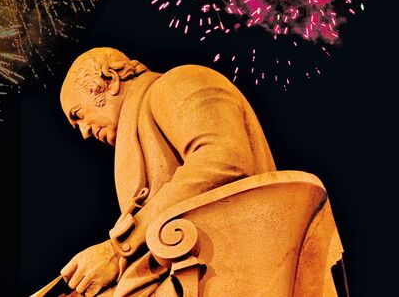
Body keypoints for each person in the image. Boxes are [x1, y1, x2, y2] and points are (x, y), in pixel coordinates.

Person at [58, 47, 276, 296]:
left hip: (226, 269)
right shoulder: (140, 124)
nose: (84, 132)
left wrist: (117, 249)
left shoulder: (176, 82)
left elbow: (223, 159)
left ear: (109, 80)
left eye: (79, 115)